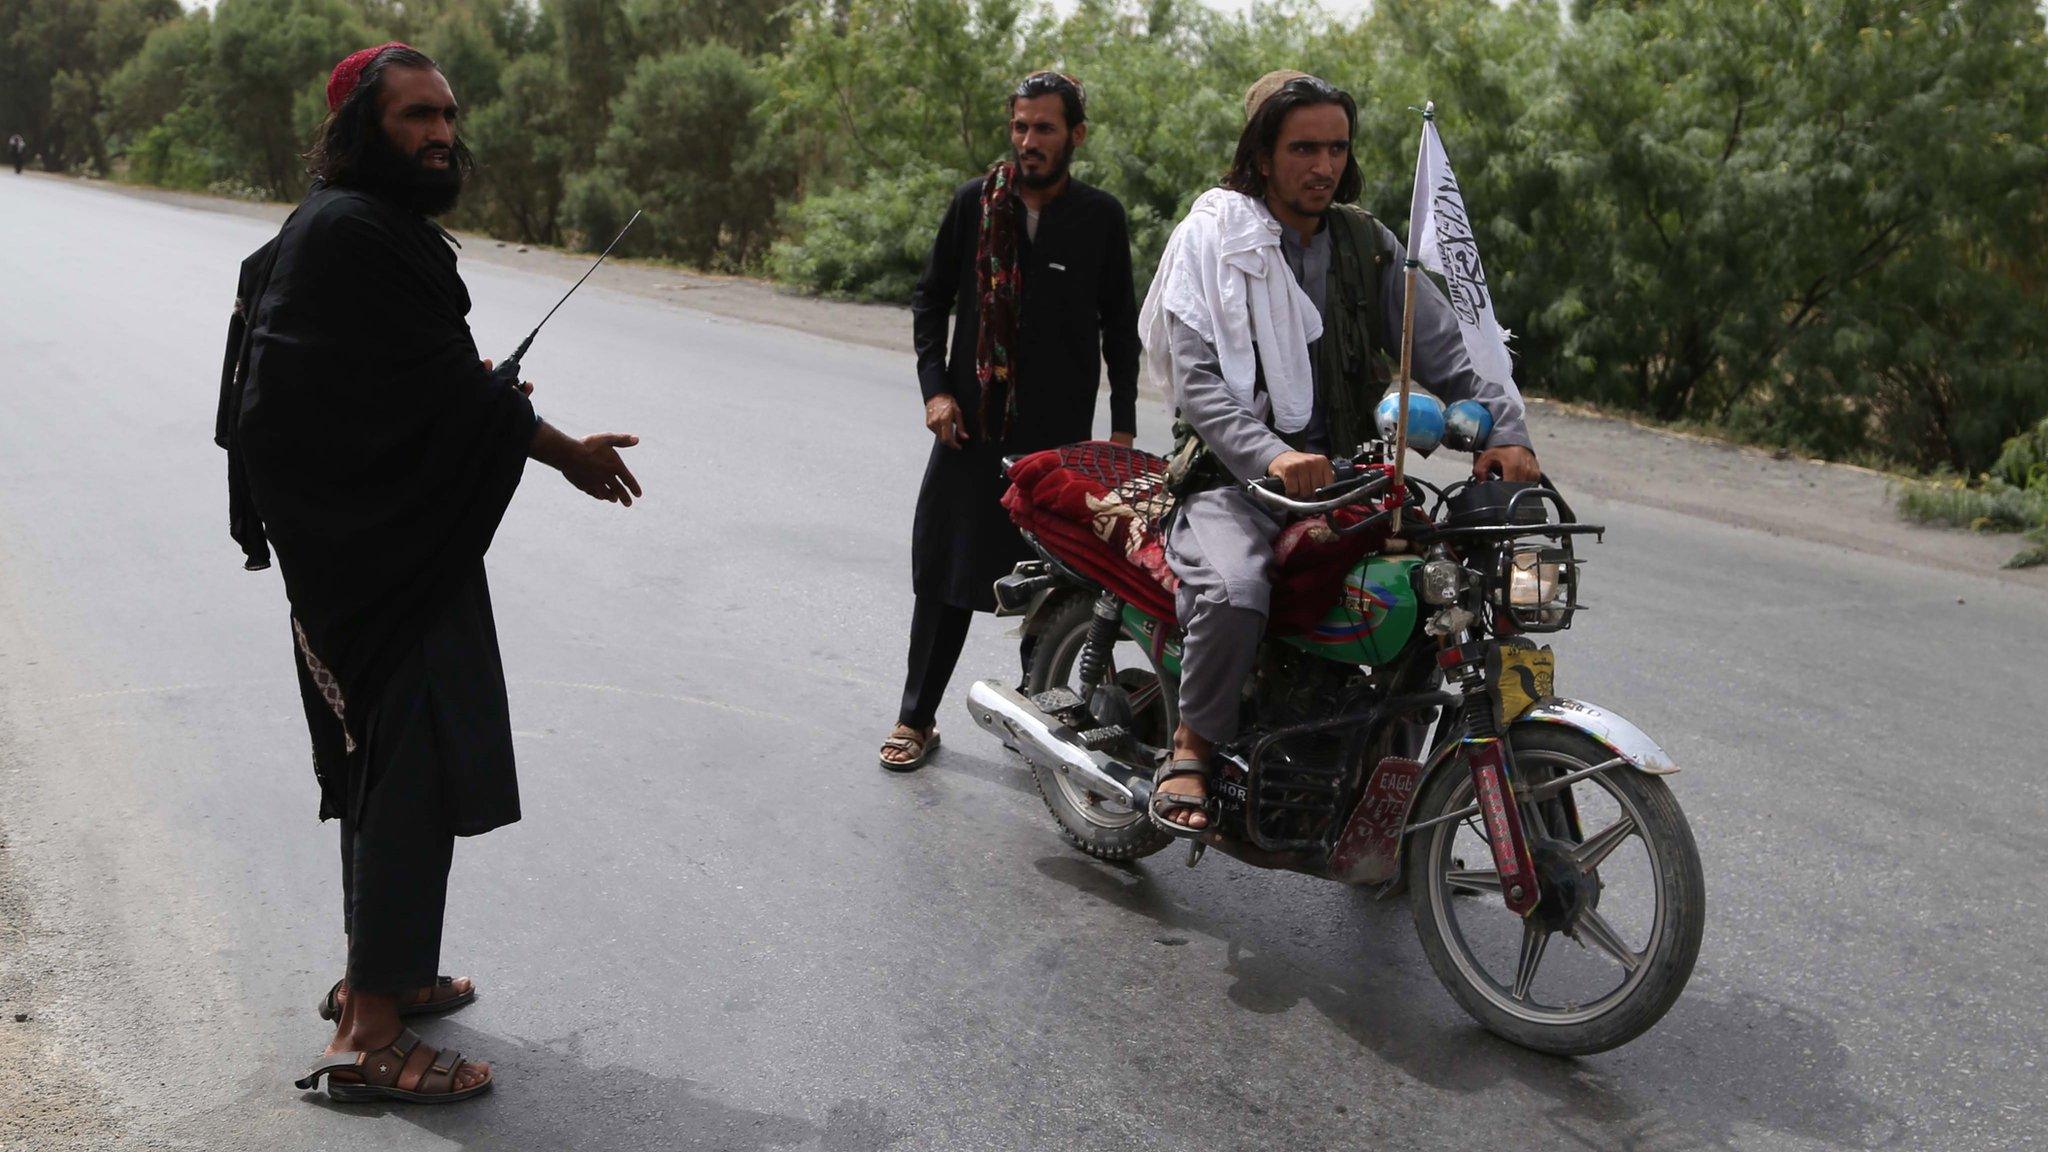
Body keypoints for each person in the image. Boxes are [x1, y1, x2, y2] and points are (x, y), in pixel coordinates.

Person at [219, 43, 643, 1103]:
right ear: (363, 126)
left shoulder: (352, 230)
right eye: (415, 116)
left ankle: (386, 975)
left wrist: (471, 407)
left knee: (391, 764)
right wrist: (562, 451)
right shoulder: (353, 235)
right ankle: (367, 1033)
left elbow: (417, 386)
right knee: (404, 772)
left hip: (387, 541)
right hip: (377, 556)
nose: (441, 134)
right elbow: (306, 409)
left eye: (447, 115)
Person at [1136, 72, 1539, 834]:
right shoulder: (1209, 242)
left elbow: (1448, 353)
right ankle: (1190, 747)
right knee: (1234, 592)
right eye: (1302, 148)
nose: (1321, 166)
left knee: (1444, 592)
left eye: (1335, 148)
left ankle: (1390, 764)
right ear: (1261, 155)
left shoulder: (1368, 245)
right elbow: (1198, 388)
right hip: (1235, 481)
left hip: (1353, 477)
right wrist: (1271, 453)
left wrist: (1508, 432)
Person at [880, 70, 1142, 770]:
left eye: (1045, 129)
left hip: (1058, 439)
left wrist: (1120, 428)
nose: (1029, 141)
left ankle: (1039, 725)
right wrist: (935, 391)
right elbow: (930, 301)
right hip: (972, 430)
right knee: (946, 575)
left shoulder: (1100, 217)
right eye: (1021, 127)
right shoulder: (974, 205)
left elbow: (1120, 326)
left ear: (1076, 136)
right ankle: (916, 718)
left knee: (1053, 584)